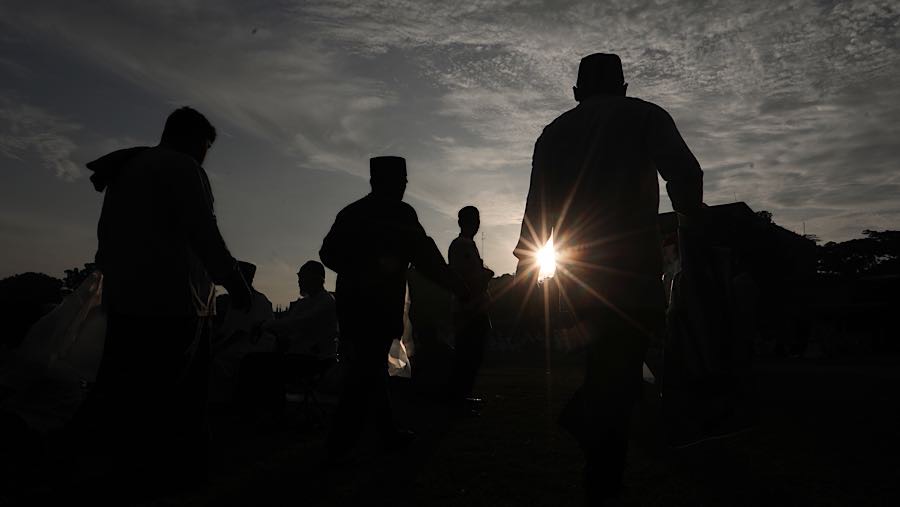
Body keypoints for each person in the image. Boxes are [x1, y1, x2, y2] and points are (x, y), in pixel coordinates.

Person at [514, 53, 703, 505]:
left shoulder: (553, 133)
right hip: (633, 265)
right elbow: (685, 174)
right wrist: (691, 229)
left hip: (577, 271)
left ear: (577, 92)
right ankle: (600, 464)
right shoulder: (644, 114)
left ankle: (600, 455)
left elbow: (536, 208)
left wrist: (525, 273)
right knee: (617, 365)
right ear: (622, 86)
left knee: (608, 363)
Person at [83, 106, 252, 494]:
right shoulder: (182, 168)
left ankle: (129, 468)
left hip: (128, 297)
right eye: (206, 147)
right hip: (176, 301)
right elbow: (203, 232)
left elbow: (106, 233)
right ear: (195, 140)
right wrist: (235, 281)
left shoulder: (128, 170)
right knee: (177, 394)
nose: (206, 155)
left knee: (130, 391)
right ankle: (169, 472)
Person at [320, 156, 467, 459]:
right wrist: (457, 286)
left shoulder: (353, 213)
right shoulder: (399, 214)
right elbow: (427, 257)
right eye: (400, 183)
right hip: (375, 304)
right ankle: (340, 443)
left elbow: (329, 252)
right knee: (365, 370)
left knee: (369, 367)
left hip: (354, 304)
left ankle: (384, 433)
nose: (402, 188)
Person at [447, 206, 494, 414]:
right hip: (467, 307)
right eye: (472, 220)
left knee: (473, 353)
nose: (476, 224)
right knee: (467, 354)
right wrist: (483, 277)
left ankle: (462, 395)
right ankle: (458, 397)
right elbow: (462, 276)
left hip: (474, 306)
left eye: (476, 220)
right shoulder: (459, 246)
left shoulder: (468, 246)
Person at [209, 261, 275, 405]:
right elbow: (226, 330)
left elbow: (241, 333)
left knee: (217, 361)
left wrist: (217, 347)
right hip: (239, 344)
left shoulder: (256, 301)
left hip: (252, 347)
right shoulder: (236, 301)